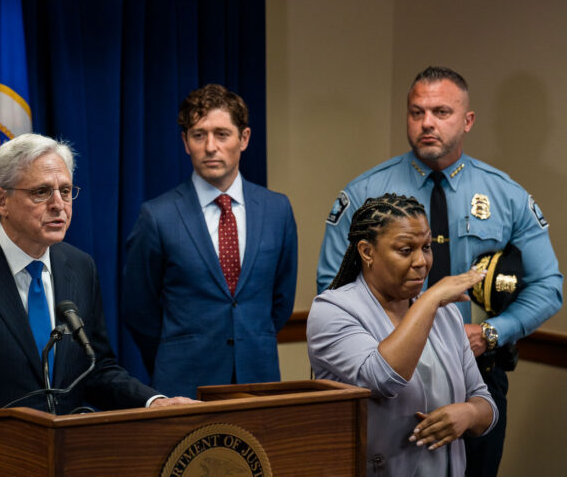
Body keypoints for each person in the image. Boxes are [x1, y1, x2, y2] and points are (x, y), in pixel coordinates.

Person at [316, 66, 562, 475]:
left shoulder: (505, 194)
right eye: (417, 112)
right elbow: (333, 287)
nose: (427, 122)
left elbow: (548, 285)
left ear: (467, 121)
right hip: (386, 376)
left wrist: (490, 334)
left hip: (476, 372)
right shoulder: (364, 193)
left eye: (441, 112)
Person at [0, 134, 192, 419]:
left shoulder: (80, 267)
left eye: (65, 191)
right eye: (42, 192)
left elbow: (96, 369)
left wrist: (153, 401)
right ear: (1, 200)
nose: (58, 204)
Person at [122, 84, 298, 399]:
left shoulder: (277, 209)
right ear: (185, 143)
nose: (210, 147)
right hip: (183, 383)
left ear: (244, 138)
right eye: (199, 135)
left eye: (222, 134)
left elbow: (281, 301)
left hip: (258, 380)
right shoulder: (157, 216)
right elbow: (139, 310)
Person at [307, 193, 498, 476]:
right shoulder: (332, 311)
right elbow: (383, 378)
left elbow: (484, 401)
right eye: (406, 250)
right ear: (367, 251)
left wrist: (468, 414)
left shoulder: (446, 315)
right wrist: (429, 300)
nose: (422, 261)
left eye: (427, 247)